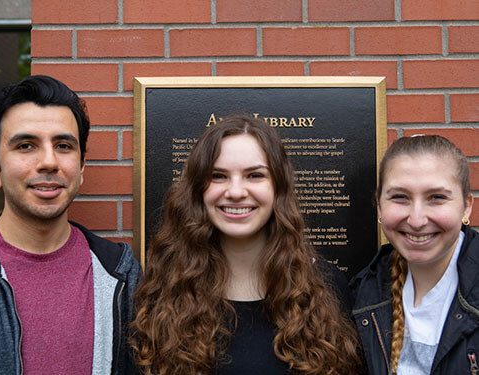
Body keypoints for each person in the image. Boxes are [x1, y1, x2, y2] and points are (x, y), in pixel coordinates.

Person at [130, 115, 361, 374]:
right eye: (218, 176)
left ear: (278, 188)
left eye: (255, 175)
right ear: (197, 191)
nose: (237, 192)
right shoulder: (161, 293)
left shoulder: (328, 289)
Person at [0, 75, 142, 374]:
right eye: (26, 145)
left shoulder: (122, 274)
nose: (49, 162)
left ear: (81, 168)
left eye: (64, 145)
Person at [350, 135, 479, 375]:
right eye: (400, 197)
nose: (417, 220)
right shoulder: (363, 292)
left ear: (466, 206)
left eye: (437, 198)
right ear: (379, 205)